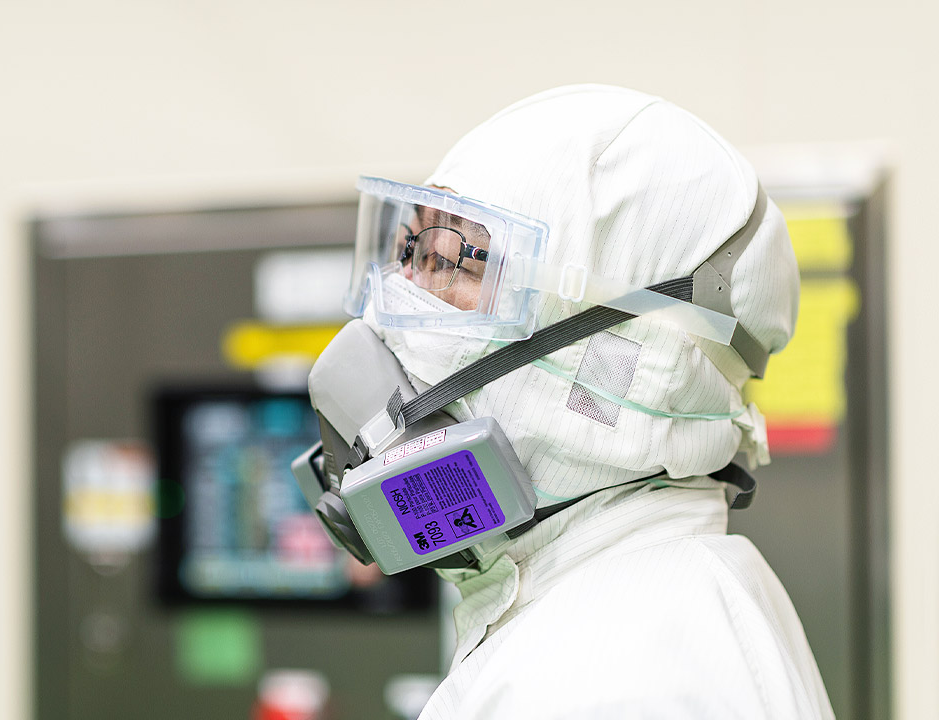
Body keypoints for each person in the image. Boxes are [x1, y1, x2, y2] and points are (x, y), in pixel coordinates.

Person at [341, 85, 834, 718]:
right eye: (407, 254)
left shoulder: (627, 683)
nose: (390, 313)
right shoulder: (595, 612)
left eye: (446, 261)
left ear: (627, 364)